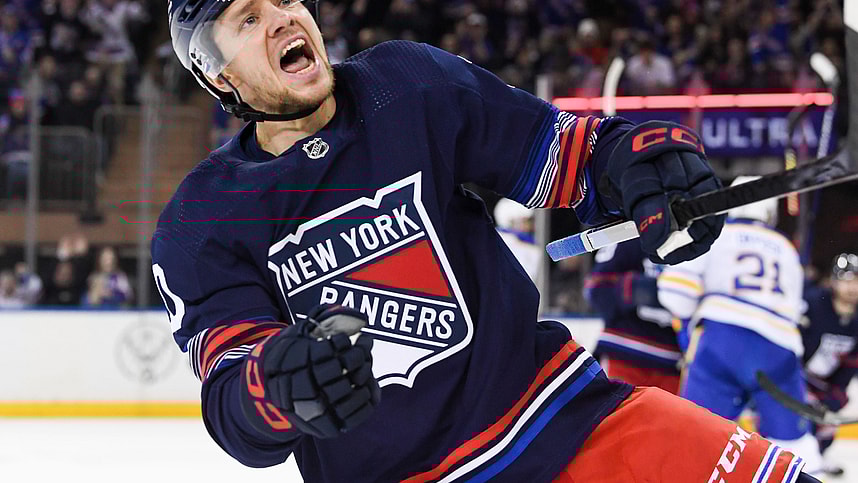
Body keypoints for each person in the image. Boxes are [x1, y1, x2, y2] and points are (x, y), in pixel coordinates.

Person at [153, 1, 816, 481]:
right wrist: (276, 389)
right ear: (220, 77)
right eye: (247, 18)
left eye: (287, 0)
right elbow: (235, 401)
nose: (283, 18)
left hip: (564, 420)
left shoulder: (407, 83)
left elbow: (566, 156)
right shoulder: (202, 219)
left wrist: (640, 162)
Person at [658, 176, 823, 474]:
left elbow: (676, 294)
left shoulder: (715, 234)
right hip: (779, 348)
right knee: (794, 444)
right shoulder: (786, 248)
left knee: (695, 437)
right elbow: (796, 311)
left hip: (722, 341)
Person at [585, 239, 682, 394]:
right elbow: (596, 288)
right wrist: (637, 290)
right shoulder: (633, 231)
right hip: (624, 354)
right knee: (612, 417)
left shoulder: (707, 233)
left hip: (675, 366)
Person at [800, 253, 858, 477]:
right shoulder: (813, 303)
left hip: (822, 382)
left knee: (828, 423)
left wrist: (836, 392)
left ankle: (817, 458)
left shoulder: (856, 320)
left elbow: (852, 362)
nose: (852, 287)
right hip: (794, 375)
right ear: (834, 281)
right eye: (847, 279)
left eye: (857, 281)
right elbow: (791, 343)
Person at [493, 197, 540, 282]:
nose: (528, 226)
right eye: (525, 221)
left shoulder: (525, 243)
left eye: (529, 221)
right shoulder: (505, 241)